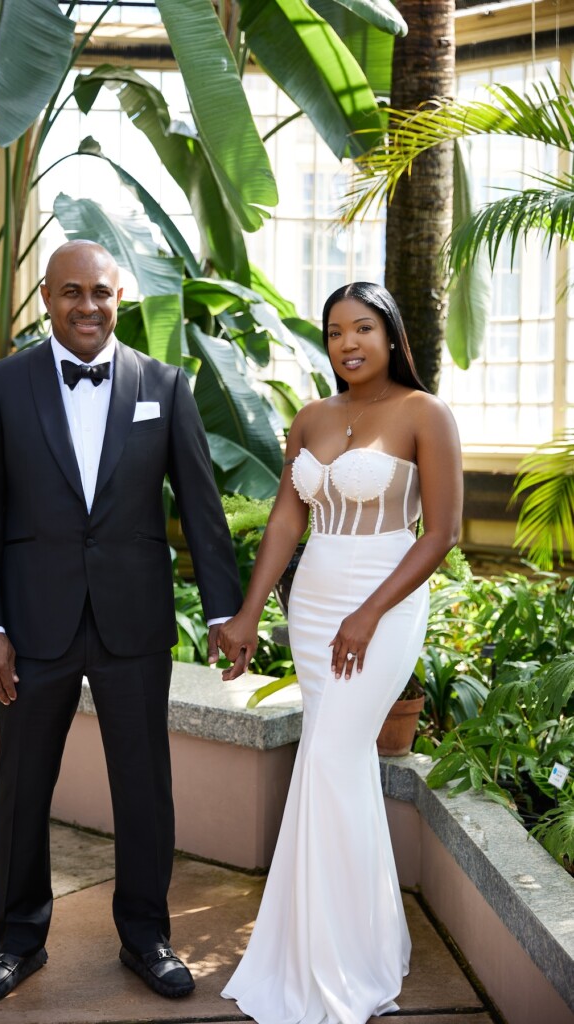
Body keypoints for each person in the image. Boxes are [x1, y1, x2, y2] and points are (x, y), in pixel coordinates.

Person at [0, 240, 243, 1006]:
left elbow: (201, 508)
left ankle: (146, 937)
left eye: (103, 293)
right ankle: (17, 941)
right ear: (46, 298)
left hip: (133, 621)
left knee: (144, 786)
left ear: (121, 299)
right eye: (72, 292)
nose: (88, 306)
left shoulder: (165, 384)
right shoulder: (1, 384)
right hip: (31, 623)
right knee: (20, 786)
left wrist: (224, 610)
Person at [217, 282, 462, 1024]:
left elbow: (441, 534)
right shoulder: (313, 417)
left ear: (390, 335)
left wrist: (367, 612)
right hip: (315, 599)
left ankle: (346, 963)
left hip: (381, 602)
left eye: (362, 328)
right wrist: (249, 611)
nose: (347, 343)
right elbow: (289, 519)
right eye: (333, 332)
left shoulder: (425, 413)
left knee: (328, 759)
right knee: (338, 765)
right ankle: (334, 946)